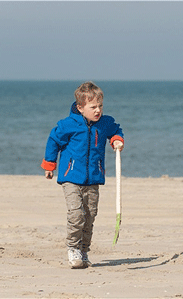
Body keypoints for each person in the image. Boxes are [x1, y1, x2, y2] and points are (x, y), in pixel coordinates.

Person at [41, 81, 124, 269]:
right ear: (80, 107)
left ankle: (84, 249)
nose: (98, 110)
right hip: (71, 177)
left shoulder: (104, 123)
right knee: (76, 213)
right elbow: (53, 141)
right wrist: (49, 165)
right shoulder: (68, 125)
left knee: (90, 214)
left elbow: (116, 130)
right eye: (93, 107)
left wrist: (117, 140)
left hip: (93, 177)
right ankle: (73, 248)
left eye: (100, 106)